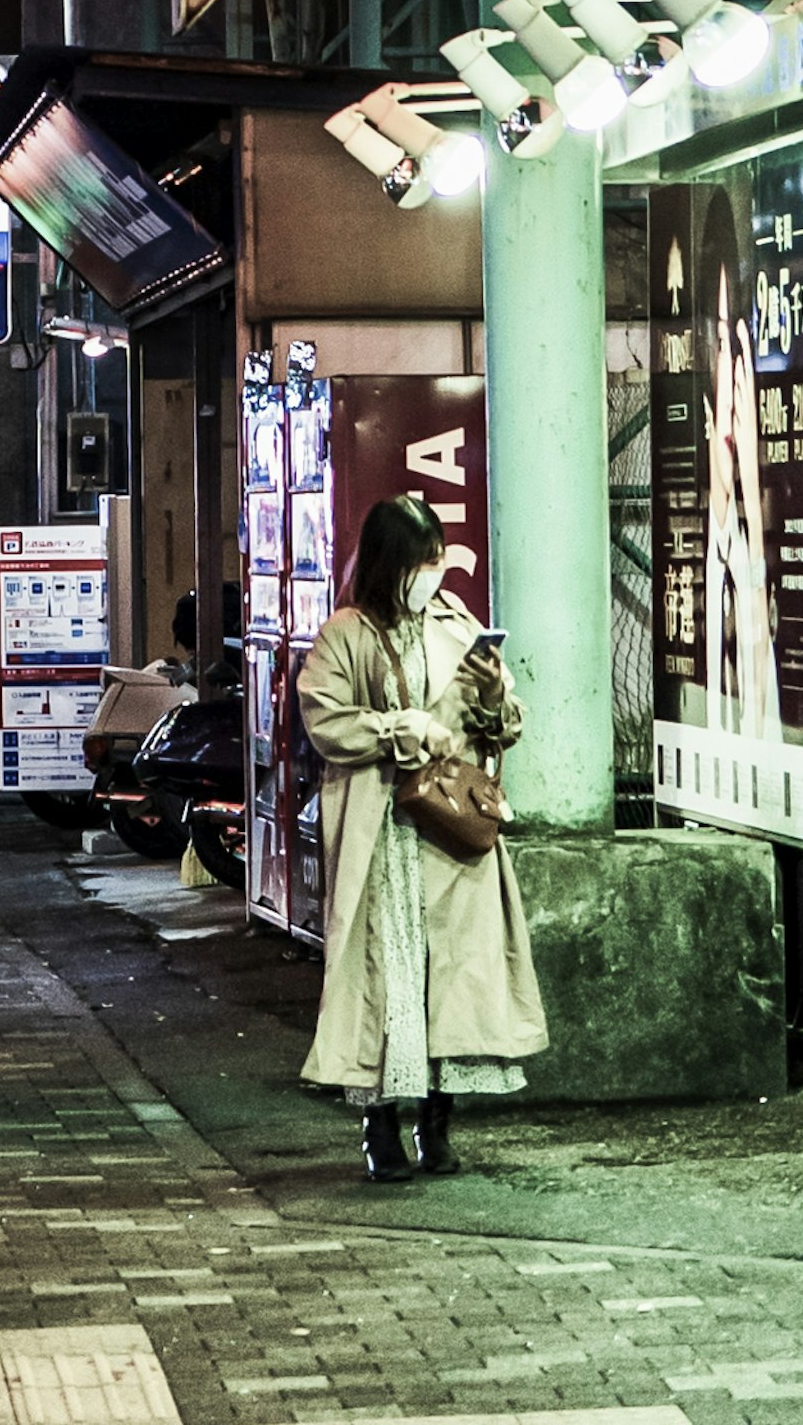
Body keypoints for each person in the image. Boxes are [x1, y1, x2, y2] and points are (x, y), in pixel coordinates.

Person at [298, 492, 544, 1177]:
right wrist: (399, 728)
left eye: (438, 559)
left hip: (450, 830)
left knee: (453, 978)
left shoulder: (455, 620)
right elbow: (325, 719)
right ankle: (381, 1128)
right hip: (382, 833)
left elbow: (504, 720)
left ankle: (438, 1124)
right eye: (421, 561)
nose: (434, 573)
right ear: (389, 563)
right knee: (391, 977)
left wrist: (494, 693)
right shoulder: (344, 633)